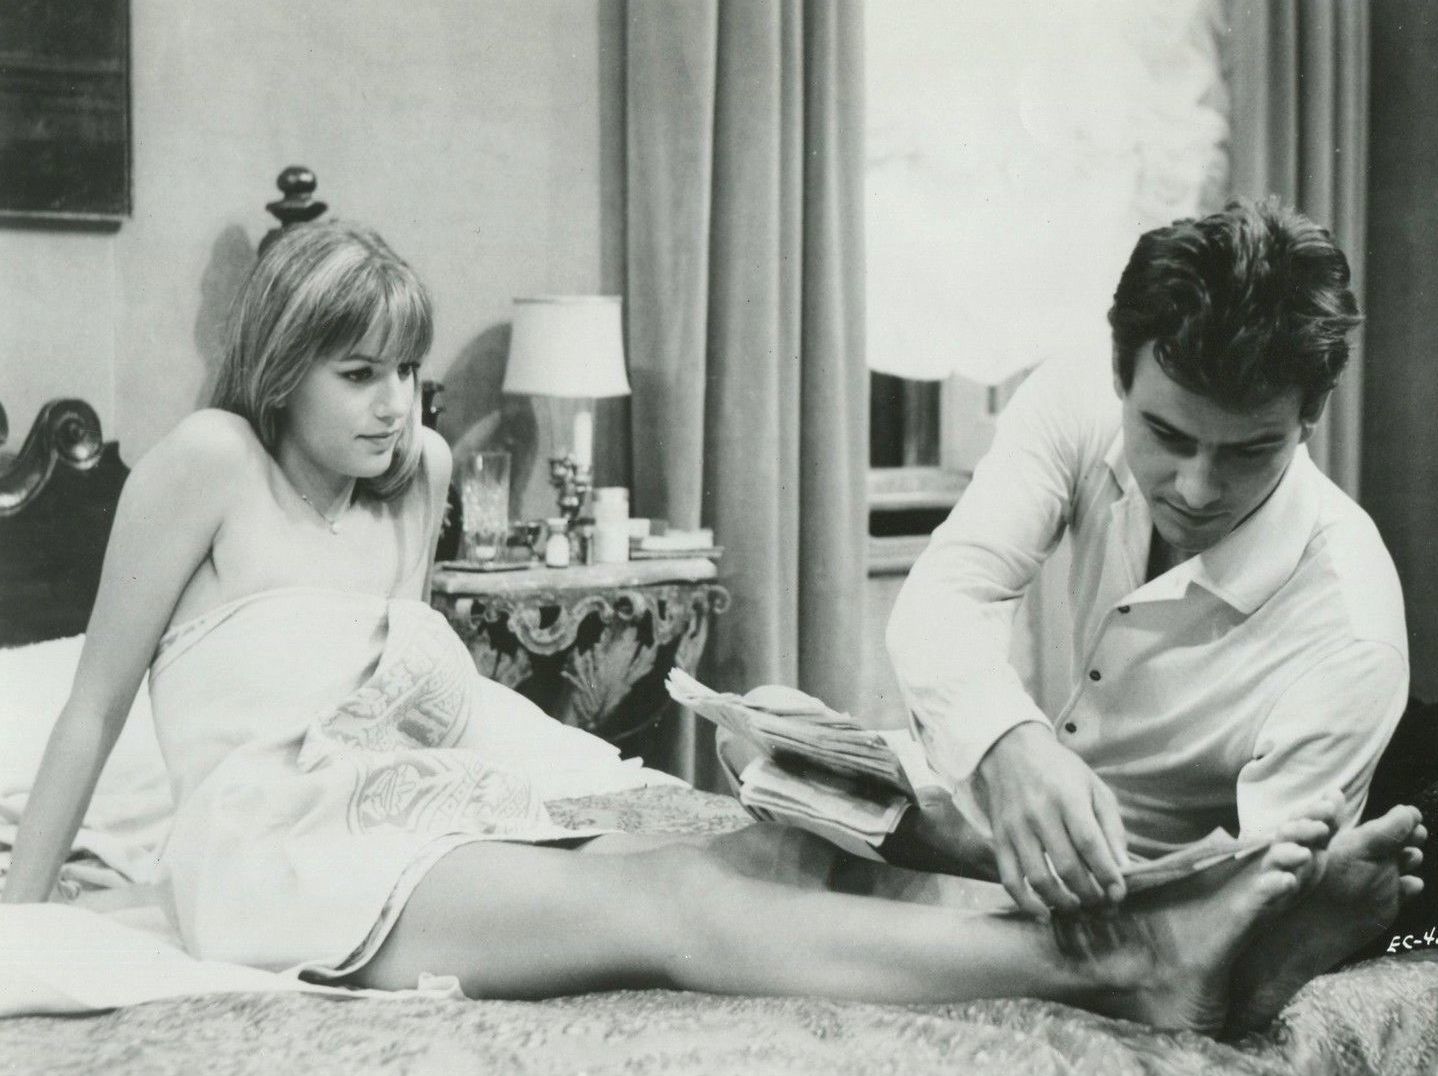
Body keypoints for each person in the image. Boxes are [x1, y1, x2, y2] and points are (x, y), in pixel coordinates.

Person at [0, 219, 1417, 1039]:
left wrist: (589, 779)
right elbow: (94, 703)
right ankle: (1119, 966)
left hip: (403, 811)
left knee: (772, 838)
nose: (395, 404)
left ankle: (1149, 909)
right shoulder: (206, 463)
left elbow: (428, 706)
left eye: (408, 369)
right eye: (355, 371)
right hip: (268, 857)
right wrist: (29, 910)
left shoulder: (418, 479)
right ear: (276, 370)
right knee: (675, 905)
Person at [885, 198, 1426, 1031]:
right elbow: (947, 591)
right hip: (1033, 840)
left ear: (1310, 415)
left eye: (1249, 450)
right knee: (765, 751)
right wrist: (1011, 745)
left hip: (1160, 895)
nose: (1198, 490)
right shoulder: (1073, 395)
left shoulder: (1352, 631)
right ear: (1119, 377)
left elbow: (1243, 908)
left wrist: (975, 836)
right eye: (1167, 435)